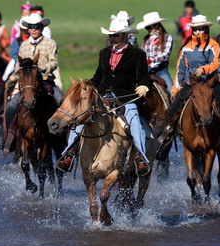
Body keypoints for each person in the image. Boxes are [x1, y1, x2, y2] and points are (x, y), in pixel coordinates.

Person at [56, 18, 152, 176]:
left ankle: (140, 158)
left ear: (125, 36)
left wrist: (143, 86)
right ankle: (68, 155)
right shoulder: (104, 53)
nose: (112, 38)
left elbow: (143, 78)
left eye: (115, 35)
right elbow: (97, 77)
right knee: (79, 119)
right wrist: (86, 88)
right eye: (111, 35)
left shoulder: (137, 54)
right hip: (101, 96)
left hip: (125, 98)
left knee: (135, 123)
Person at [157, 15, 220, 156]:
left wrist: (203, 69)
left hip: (210, 82)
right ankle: (162, 141)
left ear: (206, 29)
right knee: (172, 110)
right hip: (191, 84)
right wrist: (175, 88)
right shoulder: (186, 46)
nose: (197, 32)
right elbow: (180, 69)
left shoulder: (213, 44)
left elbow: (215, 63)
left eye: (200, 29)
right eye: (195, 29)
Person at [5, 13, 60, 128]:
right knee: (10, 108)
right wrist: (12, 78)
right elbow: (18, 67)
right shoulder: (23, 46)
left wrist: (41, 69)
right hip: (26, 85)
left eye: (37, 27)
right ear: (28, 29)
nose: (34, 29)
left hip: (45, 83)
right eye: (31, 27)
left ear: (42, 28)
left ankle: (61, 141)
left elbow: (53, 62)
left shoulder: (50, 43)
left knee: (62, 104)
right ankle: (8, 139)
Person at [137, 11, 173, 91]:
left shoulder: (167, 37)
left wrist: (152, 59)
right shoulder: (146, 39)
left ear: (156, 25)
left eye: (149, 27)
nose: (148, 30)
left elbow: (165, 55)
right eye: (147, 27)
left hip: (161, 70)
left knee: (172, 91)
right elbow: (142, 53)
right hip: (147, 70)